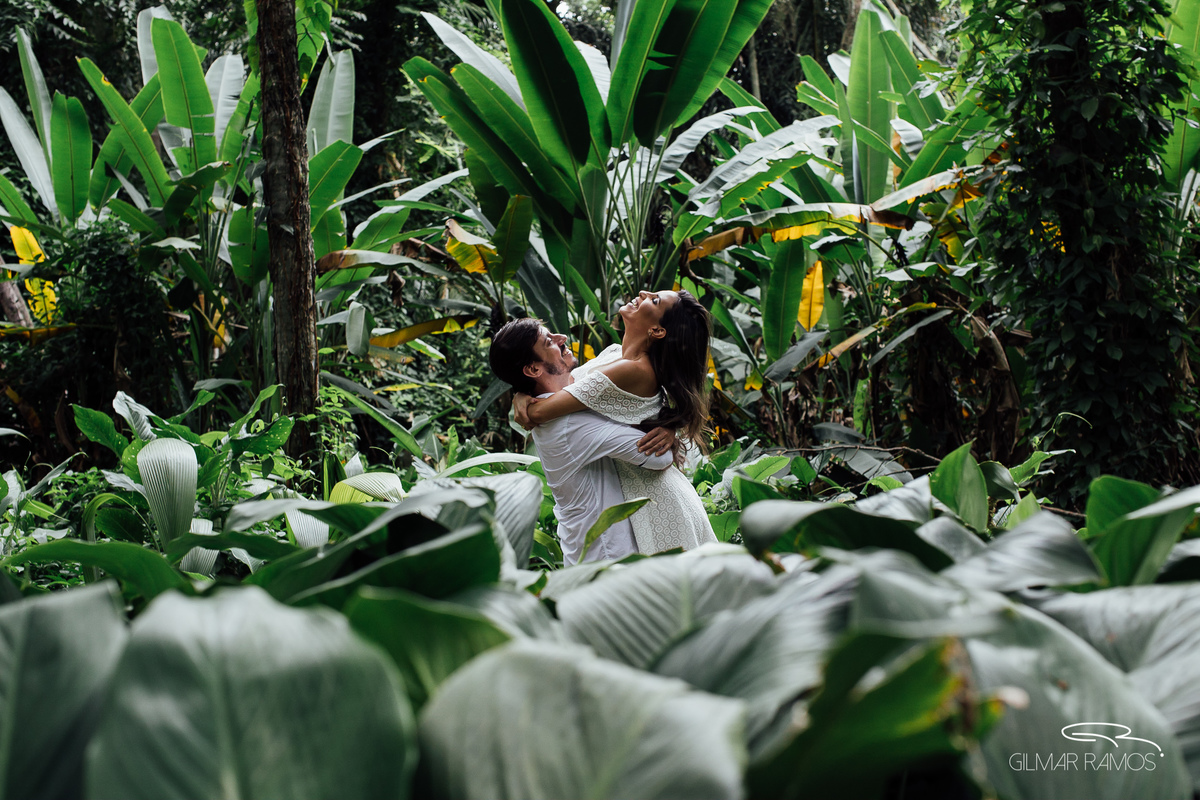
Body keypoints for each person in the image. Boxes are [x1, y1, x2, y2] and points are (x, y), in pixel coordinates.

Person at [512, 289, 717, 556]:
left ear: (656, 330)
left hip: (659, 501)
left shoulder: (631, 370)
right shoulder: (614, 355)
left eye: (653, 301)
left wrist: (521, 396)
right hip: (645, 496)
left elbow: (539, 413)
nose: (643, 293)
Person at [489, 317, 677, 565]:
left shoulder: (569, 394)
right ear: (533, 370)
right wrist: (667, 424)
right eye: (549, 341)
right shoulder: (567, 425)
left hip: (593, 553)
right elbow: (660, 458)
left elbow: (597, 370)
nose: (562, 338)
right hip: (606, 556)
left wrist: (521, 394)